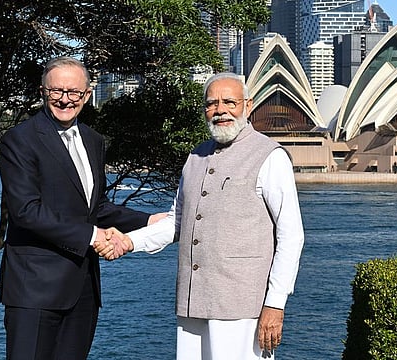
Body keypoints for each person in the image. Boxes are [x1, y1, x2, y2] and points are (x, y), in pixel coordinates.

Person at [97, 72, 305, 359]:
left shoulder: (271, 156)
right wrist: (128, 242)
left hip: (244, 308)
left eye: (229, 102)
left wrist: (275, 303)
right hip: (192, 303)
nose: (220, 110)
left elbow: (291, 236)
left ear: (248, 105)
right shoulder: (195, 157)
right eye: (212, 103)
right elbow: (176, 222)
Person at [0, 56, 159, 360]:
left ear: (86, 96)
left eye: (74, 92)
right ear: (43, 92)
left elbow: (95, 208)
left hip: (83, 290)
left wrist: (150, 220)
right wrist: (94, 236)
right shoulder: (19, 140)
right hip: (34, 291)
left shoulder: (92, 140)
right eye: (56, 91)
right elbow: (26, 211)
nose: (65, 99)